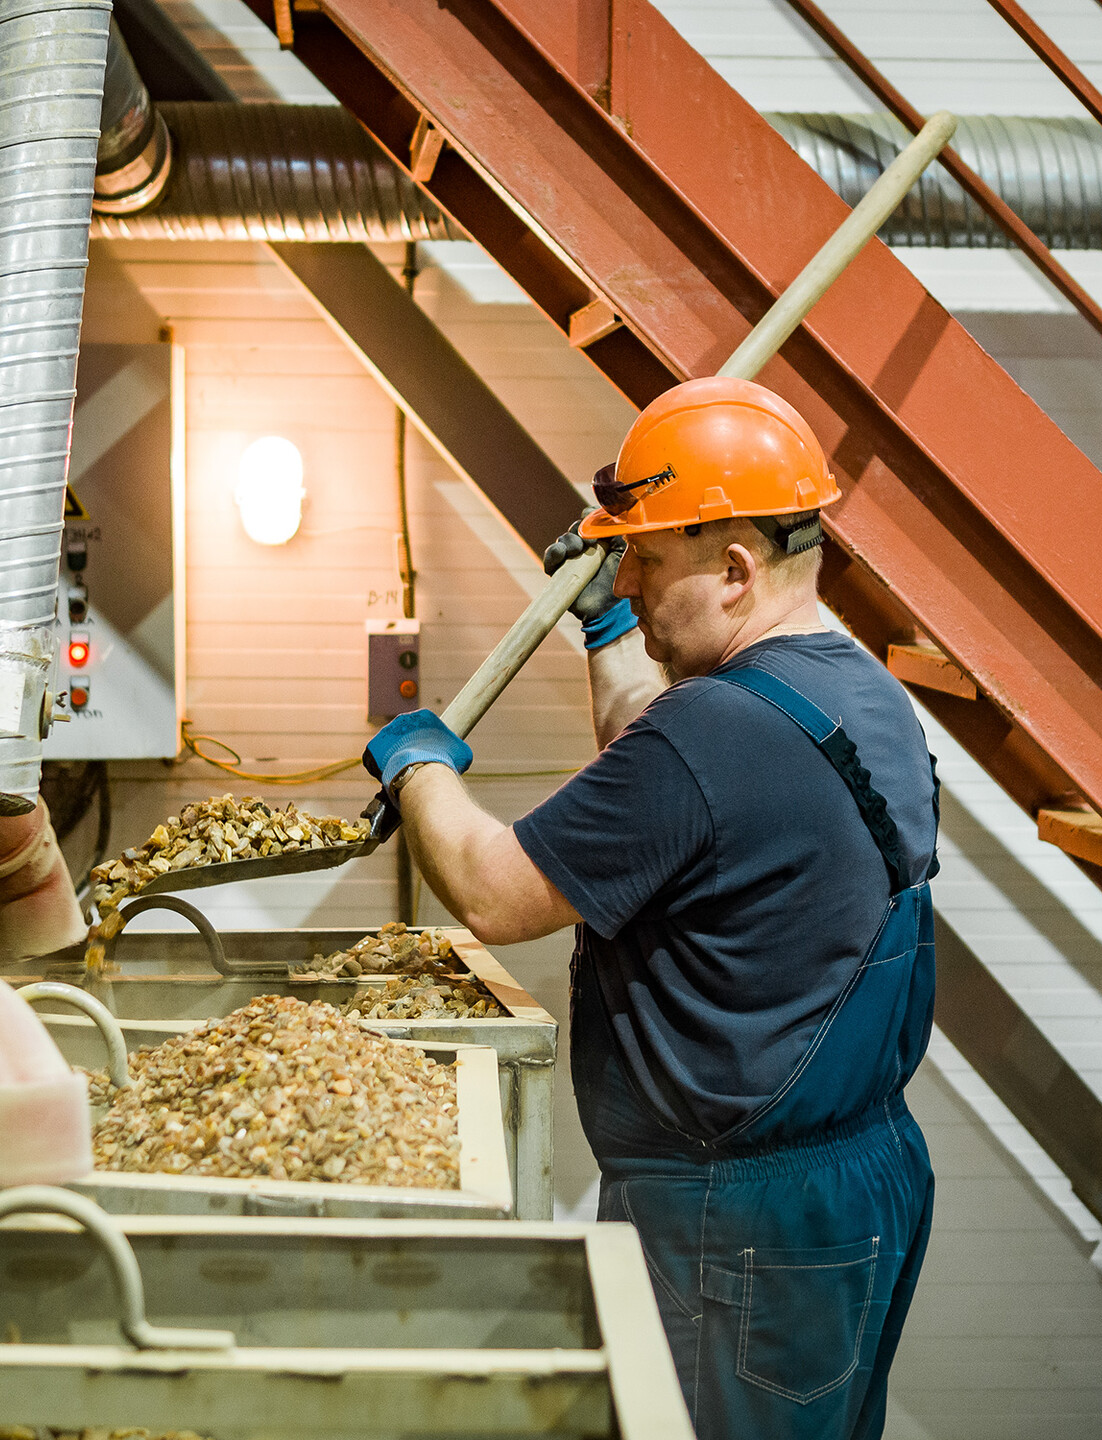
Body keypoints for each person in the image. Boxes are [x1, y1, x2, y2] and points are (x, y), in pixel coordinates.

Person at [362, 375, 940, 1439]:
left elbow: (495, 893)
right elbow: (667, 776)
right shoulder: (853, 692)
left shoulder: (711, 737)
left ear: (734, 569)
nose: (624, 567)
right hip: (861, 1182)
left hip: (741, 1222)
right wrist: (611, 628)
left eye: (647, 558)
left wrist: (416, 761)